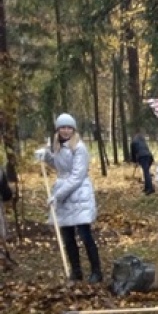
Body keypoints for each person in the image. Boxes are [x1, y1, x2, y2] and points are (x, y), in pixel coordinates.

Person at [34, 113, 103, 283]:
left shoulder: (79, 147)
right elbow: (59, 167)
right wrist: (46, 156)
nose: (66, 131)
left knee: (85, 234)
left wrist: (57, 195)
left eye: (69, 127)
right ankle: (76, 271)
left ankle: (96, 272)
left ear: (74, 129)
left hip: (79, 194)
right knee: (67, 236)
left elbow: (76, 176)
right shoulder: (58, 146)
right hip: (64, 194)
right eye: (62, 127)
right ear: (58, 130)